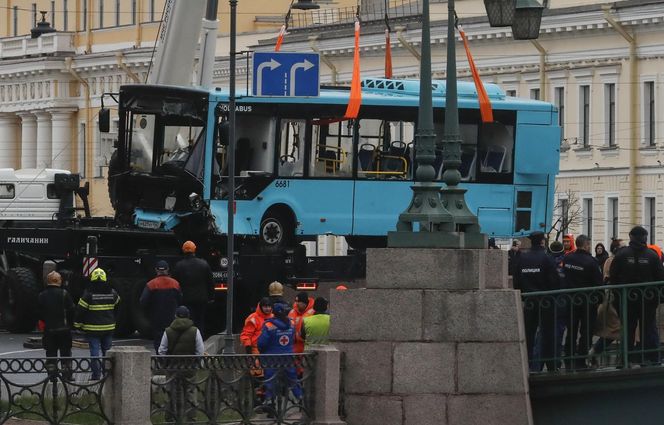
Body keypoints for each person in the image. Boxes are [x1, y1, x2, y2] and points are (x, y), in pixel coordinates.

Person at [610, 226, 664, 364]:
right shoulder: (652, 255)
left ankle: (625, 360)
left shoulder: (621, 254)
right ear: (645, 238)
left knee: (628, 329)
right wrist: (658, 297)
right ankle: (646, 358)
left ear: (631, 237)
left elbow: (613, 277)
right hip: (648, 299)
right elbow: (660, 278)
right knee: (647, 329)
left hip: (627, 299)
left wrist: (617, 297)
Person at [513, 231, 560, 372]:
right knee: (548, 334)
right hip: (546, 301)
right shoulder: (547, 258)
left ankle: (527, 364)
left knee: (528, 334)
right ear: (542, 242)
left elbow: (517, 281)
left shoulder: (522, 258)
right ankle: (550, 365)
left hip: (529, 302)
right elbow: (555, 281)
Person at [561, 234, 603, 369]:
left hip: (570, 299)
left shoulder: (567, 258)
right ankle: (581, 360)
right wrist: (599, 299)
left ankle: (568, 358)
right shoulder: (591, 262)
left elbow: (563, 276)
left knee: (571, 330)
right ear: (586, 245)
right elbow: (598, 283)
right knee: (586, 331)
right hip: (587, 301)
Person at [157, 306, 204, 423]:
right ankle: (191, 419)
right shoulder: (195, 331)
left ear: (175, 316)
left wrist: (166, 364)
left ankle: (171, 419)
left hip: (172, 368)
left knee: (172, 394)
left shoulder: (168, 331)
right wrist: (197, 364)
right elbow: (200, 351)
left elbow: (161, 350)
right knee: (191, 394)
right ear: (188, 316)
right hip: (189, 368)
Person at [74, 268, 120, 380]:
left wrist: (77, 325)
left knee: (95, 354)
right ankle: (108, 376)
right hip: (109, 328)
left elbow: (80, 311)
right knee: (107, 353)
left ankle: (96, 376)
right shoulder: (113, 293)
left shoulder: (88, 294)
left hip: (92, 330)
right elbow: (118, 306)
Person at [257, 303, 302, 402]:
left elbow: (262, 343)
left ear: (274, 312)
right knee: (292, 380)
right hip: (288, 356)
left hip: (271, 358)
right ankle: (300, 399)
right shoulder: (292, 323)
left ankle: (270, 403)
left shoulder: (269, 325)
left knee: (270, 380)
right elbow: (294, 338)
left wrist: (262, 352)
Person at [37, 271, 75, 379]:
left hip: (49, 330)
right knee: (66, 354)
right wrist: (70, 324)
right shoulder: (64, 293)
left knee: (50, 355)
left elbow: (39, 313)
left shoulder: (42, 295)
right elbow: (72, 309)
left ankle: (52, 376)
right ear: (60, 281)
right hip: (64, 330)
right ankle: (67, 375)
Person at [172, 241, 214, 335]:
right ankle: (199, 343)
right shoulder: (203, 264)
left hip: (186, 299)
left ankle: (188, 341)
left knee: (187, 322)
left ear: (183, 250)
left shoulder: (179, 266)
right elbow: (210, 282)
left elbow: (175, 283)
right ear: (195, 249)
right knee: (199, 322)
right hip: (201, 299)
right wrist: (211, 297)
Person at [140, 260, 182, 354]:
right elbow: (180, 299)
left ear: (156, 270)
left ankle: (160, 359)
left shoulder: (151, 284)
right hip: (172, 317)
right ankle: (169, 360)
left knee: (158, 339)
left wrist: (148, 312)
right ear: (167, 270)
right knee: (171, 337)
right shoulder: (175, 283)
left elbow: (143, 301)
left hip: (156, 317)